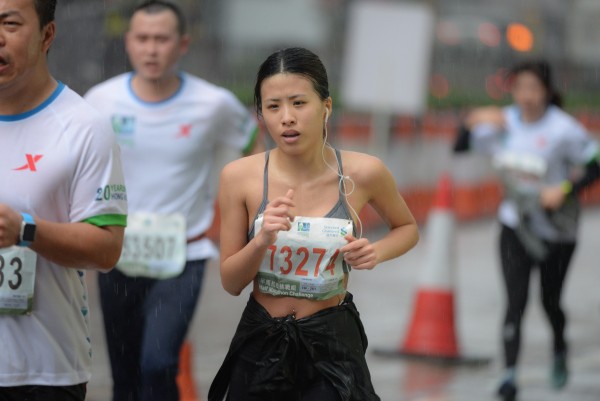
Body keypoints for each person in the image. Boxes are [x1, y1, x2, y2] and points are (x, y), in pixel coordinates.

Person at [208, 47, 420, 401]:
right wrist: (261, 240)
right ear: (261, 114)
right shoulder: (238, 177)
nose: (286, 118)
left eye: (299, 103)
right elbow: (230, 282)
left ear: (326, 106)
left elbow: (407, 228)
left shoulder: (364, 172)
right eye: (273, 107)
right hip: (262, 341)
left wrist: (376, 252)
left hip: (331, 343)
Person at [84, 1, 261, 400]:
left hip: (184, 255)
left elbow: (254, 147)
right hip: (118, 251)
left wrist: (247, 212)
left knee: (159, 363)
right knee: (124, 376)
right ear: (128, 42)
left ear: (182, 44)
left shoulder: (213, 103)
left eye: (161, 39)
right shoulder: (100, 99)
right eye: (142, 38)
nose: (151, 49)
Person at [0, 0, 128, 400]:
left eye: (9, 24)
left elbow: (106, 249)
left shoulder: (82, 127)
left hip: (42, 370)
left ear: (47, 34)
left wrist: (24, 230)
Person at [454, 59, 600, 401]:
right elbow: (460, 147)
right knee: (515, 301)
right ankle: (509, 376)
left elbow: (595, 165)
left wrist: (564, 190)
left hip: (557, 231)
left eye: (534, 88)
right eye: (520, 88)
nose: (527, 96)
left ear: (547, 91)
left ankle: (559, 347)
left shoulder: (564, 129)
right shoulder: (503, 122)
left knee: (550, 302)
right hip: (514, 225)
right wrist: (471, 120)